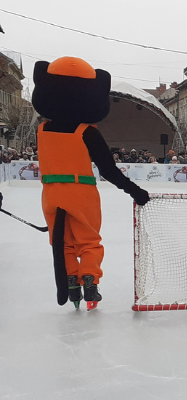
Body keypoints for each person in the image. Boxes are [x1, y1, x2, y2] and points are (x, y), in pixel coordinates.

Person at [31, 57, 150, 310]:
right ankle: (89, 277)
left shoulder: (42, 130)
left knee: (61, 242)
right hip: (81, 191)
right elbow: (108, 168)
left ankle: (71, 279)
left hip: (51, 192)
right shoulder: (87, 132)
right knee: (88, 241)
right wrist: (135, 191)